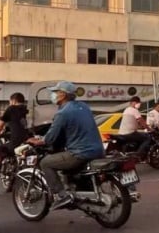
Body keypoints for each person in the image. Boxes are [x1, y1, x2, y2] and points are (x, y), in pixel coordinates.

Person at [26, 81, 104, 210]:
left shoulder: (63, 113)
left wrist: (37, 141)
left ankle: (62, 196)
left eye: (55, 92)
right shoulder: (84, 106)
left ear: (63, 95)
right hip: (98, 150)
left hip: (80, 153)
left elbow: (50, 138)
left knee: (46, 163)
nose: (53, 95)